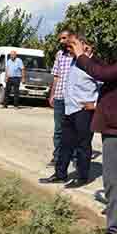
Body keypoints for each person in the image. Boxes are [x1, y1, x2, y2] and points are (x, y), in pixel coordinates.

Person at [71, 15, 117, 234]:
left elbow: (104, 75)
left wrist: (81, 57)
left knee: (114, 181)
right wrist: (91, 58)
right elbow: (110, 72)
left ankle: (116, 231)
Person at [39, 35, 99, 188]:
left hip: (84, 111)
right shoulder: (73, 62)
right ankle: (60, 175)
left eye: (72, 46)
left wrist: (96, 104)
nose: (68, 50)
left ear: (85, 46)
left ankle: (82, 177)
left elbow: (107, 87)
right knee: (65, 144)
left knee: (83, 145)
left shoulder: (95, 65)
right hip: (69, 109)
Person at [48, 30, 74, 166]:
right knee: (58, 129)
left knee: (74, 130)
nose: (61, 41)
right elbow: (56, 76)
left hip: (74, 99)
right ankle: (57, 156)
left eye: (64, 38)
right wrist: (52, 94)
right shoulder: (59, 55)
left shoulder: (78, 55)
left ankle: (74, 156)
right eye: (60, 39)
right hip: (59, 97)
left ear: (71, 38)